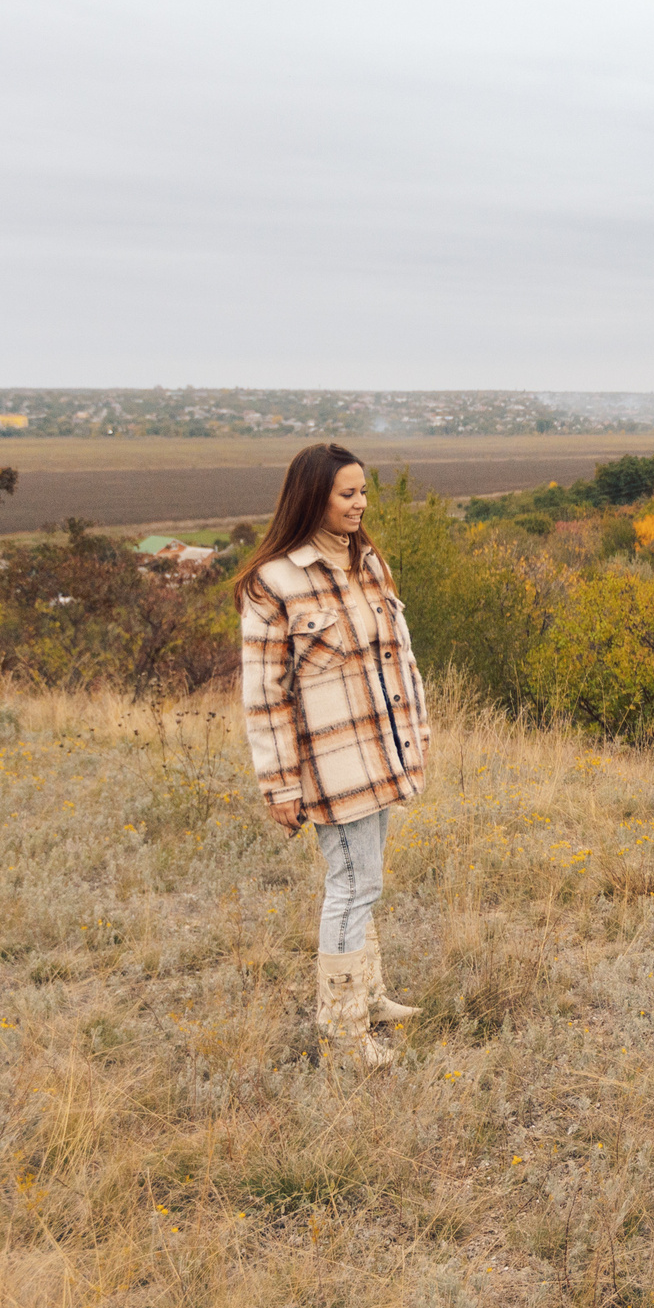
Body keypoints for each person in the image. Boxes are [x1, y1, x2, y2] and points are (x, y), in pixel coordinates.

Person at [233, 444, 431, 1067]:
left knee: (365, 880)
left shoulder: (368, 561)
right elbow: (264, 696)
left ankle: (367, 998)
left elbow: (399, 657)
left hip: (381, 749)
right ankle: (344, 1035)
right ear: (311, 496)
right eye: (347, 494)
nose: (360, 504)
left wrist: (416, 736)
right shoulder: (273, 582)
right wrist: (280, 786)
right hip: (328, 762)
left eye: (363, 492)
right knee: (352, 883)